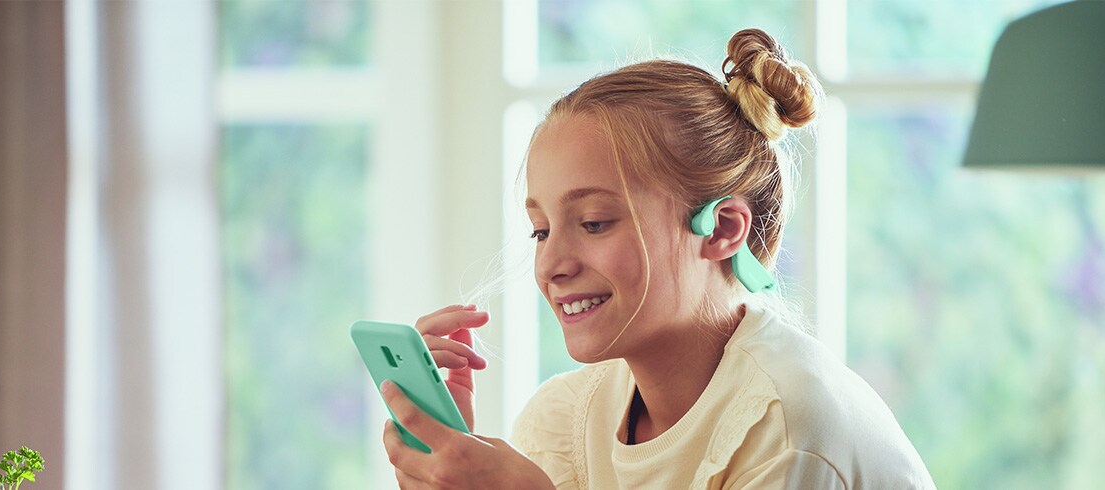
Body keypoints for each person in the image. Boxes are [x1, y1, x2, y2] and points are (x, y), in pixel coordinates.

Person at [378, 28, 936, 489]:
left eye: (593, 223)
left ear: (720, 230)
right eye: (541, 231)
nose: (551, 265)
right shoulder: (566, 420)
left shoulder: (785, 429)